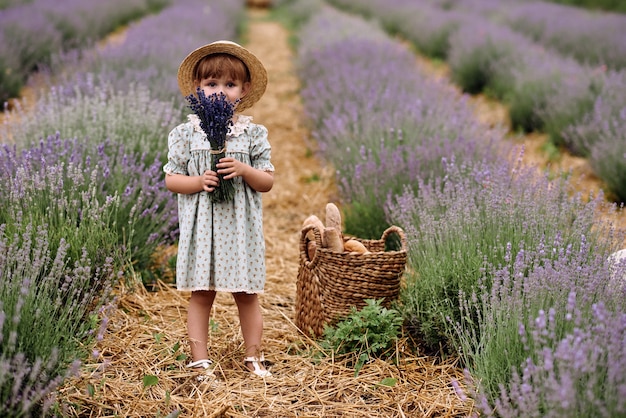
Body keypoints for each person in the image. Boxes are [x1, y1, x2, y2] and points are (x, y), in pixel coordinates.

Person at [163, 40, 273, 379]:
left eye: (229, 84)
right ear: (198, 87)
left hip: (239, 228)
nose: (220, 92)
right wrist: (198, 182)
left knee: (246, 293)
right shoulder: (185, 134)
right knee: (201, 294)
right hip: (204, 228)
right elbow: (171, 179)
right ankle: (200, 359)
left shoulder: (252, 133)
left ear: (244, 89)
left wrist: (244, 171)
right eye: (211, 84)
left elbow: (267, 181)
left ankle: (253, 357)